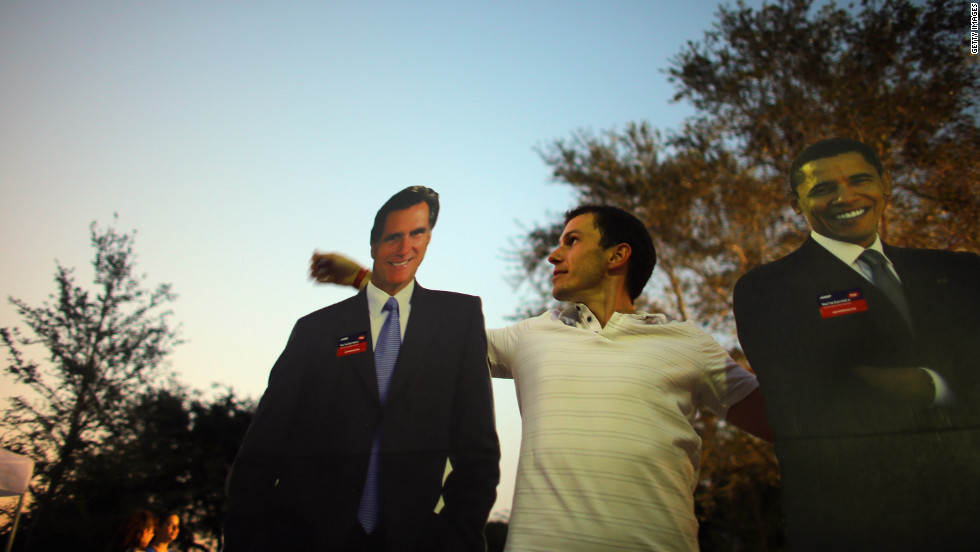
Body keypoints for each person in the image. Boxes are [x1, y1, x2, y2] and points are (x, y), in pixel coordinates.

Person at [314, 204, 772, 552]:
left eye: (572, 241)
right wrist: (363, 278)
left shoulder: (685, 340)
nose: (554, 254)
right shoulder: (532, 334)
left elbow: (782, 423)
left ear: (618, 255)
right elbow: (433, 334)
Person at [733, 137, 980, 551]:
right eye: (823, 188)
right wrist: (951, 381)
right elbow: (810, 395)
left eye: (860, 179)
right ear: (796, 203)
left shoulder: (961, 273)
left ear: (886, 184)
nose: (846, 196)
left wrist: (921, 382)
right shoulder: (766, 290)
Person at [225, 186, 500, 551]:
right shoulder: (315, 330)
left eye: (417, 234)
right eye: (393, 237)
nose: (405, 248)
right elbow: (260, 451)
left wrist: (455, 537)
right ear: (373, 246)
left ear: (429, 238)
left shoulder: (458, 320)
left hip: (414, 541)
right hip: (306, 539)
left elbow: (477, 452)